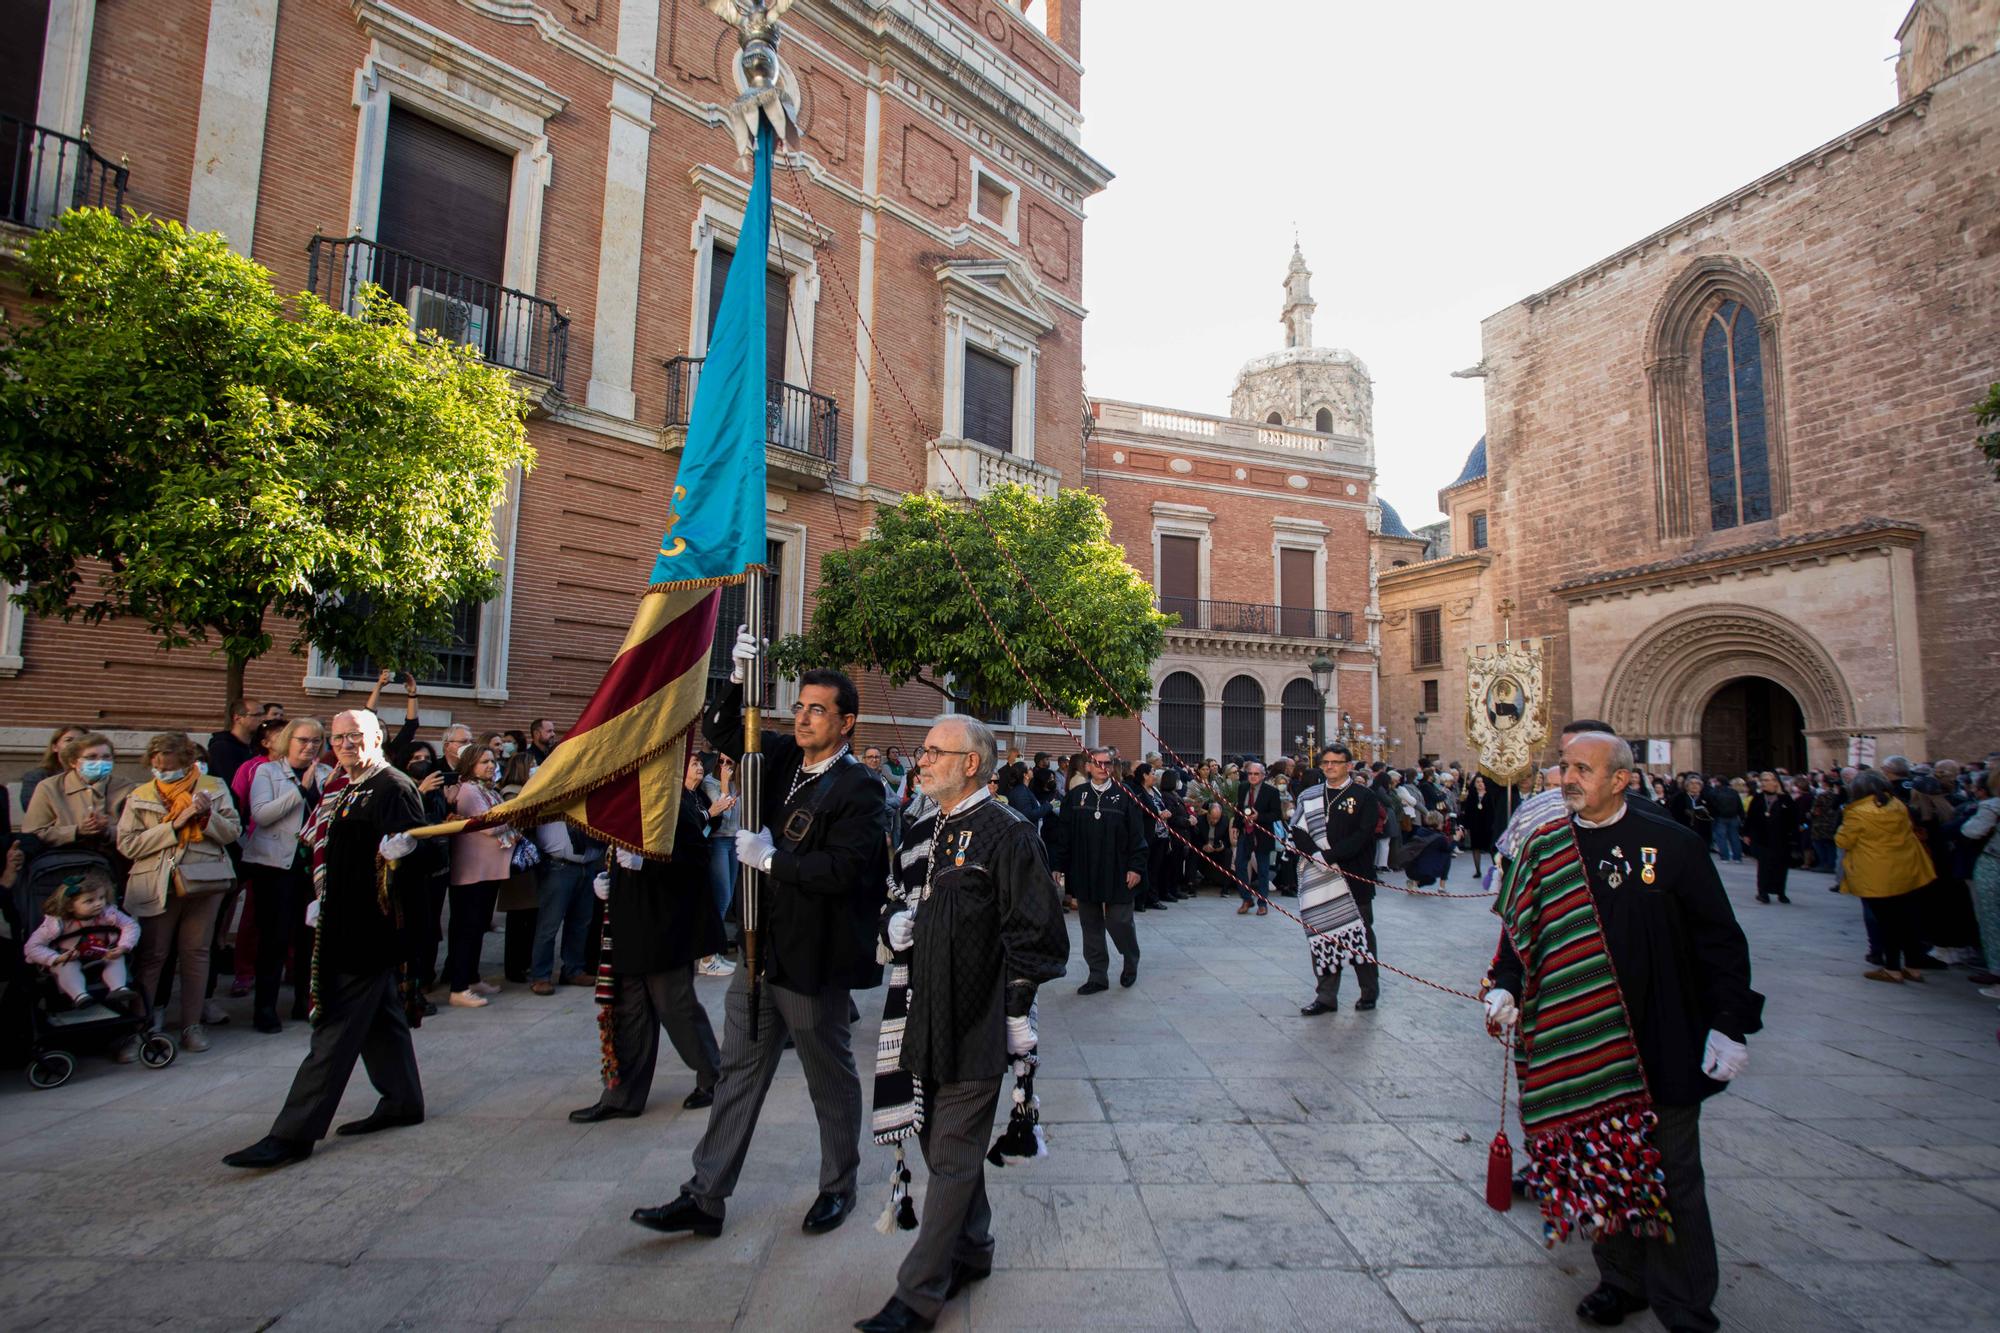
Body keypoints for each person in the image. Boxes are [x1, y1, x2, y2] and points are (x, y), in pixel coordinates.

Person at [1485, 733, 1760, 1333]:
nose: (1568, 778)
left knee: (1673, 1175)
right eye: (1565, 768)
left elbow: (1720, 941)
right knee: (1599, 1164)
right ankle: (1621, 1280)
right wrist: (1506, 983)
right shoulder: (1543, 847)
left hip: (1658, 1039)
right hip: (1576, 1040)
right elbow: (1517, 931)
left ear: (1621, 780)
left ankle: (1685, 1302)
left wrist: (1730, 1025)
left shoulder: (1674, 845)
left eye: (1583, 769)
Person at [630, 632, 889, 1240]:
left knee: (829, 1078)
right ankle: (705, 1195)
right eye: (798, 707)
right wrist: (740, 678)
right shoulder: (774, 757)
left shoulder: (860, 787)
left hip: (812, 957)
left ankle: (838, 1186)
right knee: (739, 1074)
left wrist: (773, 862)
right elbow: (723, 734)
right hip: (757, 951)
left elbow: (847, 870)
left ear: (846, 723)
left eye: (817, 709)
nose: (802, 718)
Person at [856, 716, 1068, 1333]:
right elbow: (897, 893)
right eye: (922, 751)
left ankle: (916, 1295)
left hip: (977, 1017)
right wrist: (893, 923)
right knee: (933, 1140)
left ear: (970, 763)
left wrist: (1017, 1011)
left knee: (950, 1151)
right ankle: (974, 1247)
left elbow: (1040, 935)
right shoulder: (925, 824)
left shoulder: (1010, 834)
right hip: (922, 1010)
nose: (920, 760)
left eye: (933, 752)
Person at [223, 710, 427, 1169]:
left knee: (334, 1028)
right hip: (339, 919)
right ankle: (402, 1101)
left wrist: (403, 858)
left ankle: (293, 1134)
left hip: (370, 929)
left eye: (356, 736)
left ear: (377, 738)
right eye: (338, 738)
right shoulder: (344, 786)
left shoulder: (392, 786)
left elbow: (422, 854)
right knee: (381, 1021)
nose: (346, 744)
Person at [570, 750, 723, 1120]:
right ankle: (622, 1096)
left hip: (664, 928)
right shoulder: (626, 806)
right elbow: (614, 852)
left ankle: (714, 1077)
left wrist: (649, 864)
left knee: (677, 1009)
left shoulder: (673, 804)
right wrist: (608, 882)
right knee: (629, 1013)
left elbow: (696, 860)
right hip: (629, 924)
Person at [119, 732, 241, 1053]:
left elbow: (232, 832)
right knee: (153, 956)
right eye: (157, 767)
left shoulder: (212, 788)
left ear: (188, 763)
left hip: (203, 881)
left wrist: (206, 816)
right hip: (156, 883)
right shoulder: (140, 794)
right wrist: (173, 826)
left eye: (171, 767)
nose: (163, 772)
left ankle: (192, 1026)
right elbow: (128, 844)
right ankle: (142, 1028)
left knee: (196, 954)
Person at [242, 718, 327, 1032]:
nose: (309, 747)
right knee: (274, 938)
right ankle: (264, 1008)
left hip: (311, 866)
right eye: (303, 740)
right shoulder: (267, 771)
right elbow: (262, 814)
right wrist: (300, 790)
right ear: (288, 741)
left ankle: (304, 1002)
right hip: (275, 866)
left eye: (316, 741)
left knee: (309, 937)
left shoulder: (325, 773)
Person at [1043, 747, 1145, 993]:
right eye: (1097, 763)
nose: (1102, 768)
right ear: (1088, 766)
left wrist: (1136, 867)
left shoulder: (1125, 796)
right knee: (1091, 924)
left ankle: (1130, 959)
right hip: (1085, 869)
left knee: (1119, 921)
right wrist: (1058, 865)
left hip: (1118, 870)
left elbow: (1137, 836)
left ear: (1113, 766)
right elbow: (1063, 835)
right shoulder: (1076, 796)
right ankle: (1097, 975)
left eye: (1107, 763)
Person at [1293, 745, 1382, 1016]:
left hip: (1353, 878)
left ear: (1348, 765)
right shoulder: (1309, 796)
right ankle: (1326, 997)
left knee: (1360, 937)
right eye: (1326, 763)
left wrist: (1329, 856)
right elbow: (1297, 829)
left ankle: (1369, 992)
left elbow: (1364, 835)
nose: (1330, 766)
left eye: (1336, 762)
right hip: (1319, 877)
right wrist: (1315, 856)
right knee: (1322, 937)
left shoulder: (1364, 796)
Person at [1836, 770, 1937, 983]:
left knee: (1887, 923)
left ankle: (1892, 969)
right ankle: (1913, 966)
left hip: (1877, 873)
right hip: (1906, 868)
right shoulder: (1897, 805)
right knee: (1908, 920)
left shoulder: (1858, 812)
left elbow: (1843, 841)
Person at [445, 745, 515, 1008]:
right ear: (470, 764)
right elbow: (490, 825)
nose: (491, 765)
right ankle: (458, 987)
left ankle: (472, 978)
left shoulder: (487, 790)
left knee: (477, 929)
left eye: (492, 761)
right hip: (471, 873)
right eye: (484, 761)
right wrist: (516, 814)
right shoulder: (469, 791)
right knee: (466, 929)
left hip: (488, 871)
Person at [26, 869, 141, 1012]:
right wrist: (56, 958)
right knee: (67, 967)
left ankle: (118, 988)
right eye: (89, 901)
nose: (99, 903)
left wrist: (123, 946)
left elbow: (130, 925)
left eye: (101, 897)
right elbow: (32, 947)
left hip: (102, 954)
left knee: (116, 958)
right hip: (69, 957)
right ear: (69, 905)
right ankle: (79, 995)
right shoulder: (57, 923)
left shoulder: (108, 913)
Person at [1231, 761, 1284, 916]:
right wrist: (1236, 825)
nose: (1252, 777)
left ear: (1263, 775)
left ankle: (1262, 903)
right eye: (1250, 774)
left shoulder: (1271, 791)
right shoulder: (1243, 788)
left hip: (1262, 834)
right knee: (1239, 865)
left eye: (1256, 774)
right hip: (1245, 832)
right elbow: (1239, 807)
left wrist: (1259, 816)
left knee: (1262, 869)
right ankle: (1246, 898)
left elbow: (1276, 814)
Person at [1741, 771, 1799, 905]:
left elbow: (1793, 819)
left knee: (1780, 866)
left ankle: (1780, 892)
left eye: (1768, 780)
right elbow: (1750, 817)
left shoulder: (1785, 799)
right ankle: (1763, 893)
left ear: (1776, 782)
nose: (1764, 783)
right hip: (1762, 838)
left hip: (1781, 839)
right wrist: (1746, 833)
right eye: (1763, 780)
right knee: (1764, 866)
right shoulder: (1758, 798)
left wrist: (1794, 837)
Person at [19, 725, 86, 810]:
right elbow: (31, 808)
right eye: (69, 740)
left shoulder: (94, 775)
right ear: (54, 747)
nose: (75, 745)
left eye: (81, 740)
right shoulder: (38, 776)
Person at [207, 699, 262, 791]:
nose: (262, 719)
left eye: (263, 714)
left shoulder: (257, 746)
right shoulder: (221, 747)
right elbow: (232, 784)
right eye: (257, 715)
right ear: (237, 718)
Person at [1460, 772, 1501, 877]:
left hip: (1488, 825)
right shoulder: (1471, 796)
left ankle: (1496, 869)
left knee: (1492, 849)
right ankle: (1477, 870)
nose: (1480, 784)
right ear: (1474, 784)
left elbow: (1494, 810)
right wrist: (1466, 826)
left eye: (1482, 782)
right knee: (1476, 848)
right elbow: (1467, 812)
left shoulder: (1490, 795)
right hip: (1475, 826)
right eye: (1477, 782)